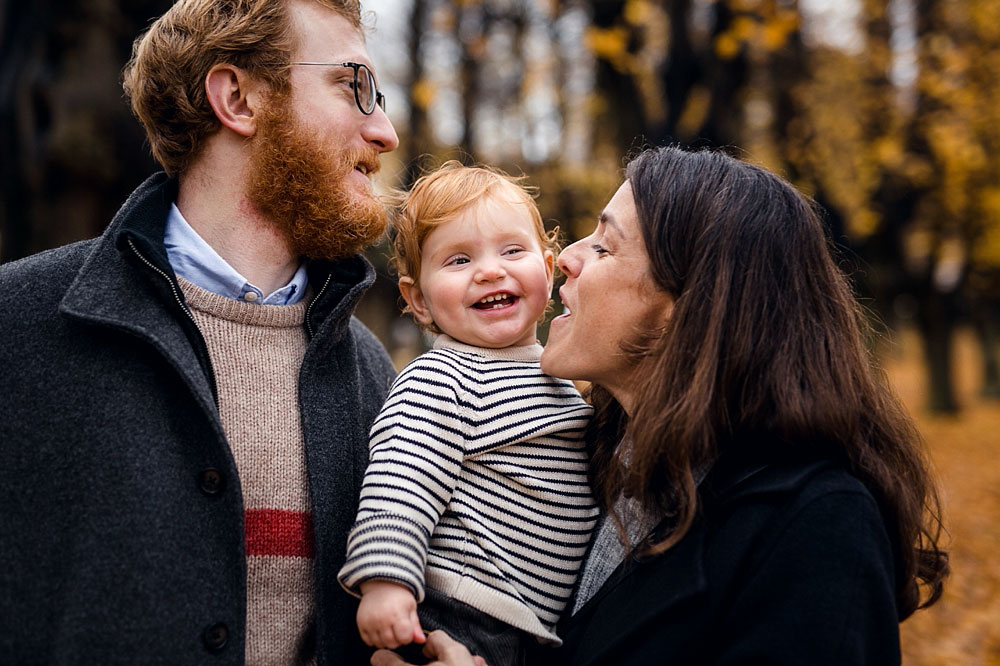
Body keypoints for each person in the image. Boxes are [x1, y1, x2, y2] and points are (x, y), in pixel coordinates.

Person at [371, 145, 949, 666]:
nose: (564, 257)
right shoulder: (605, 463)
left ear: (687, 303)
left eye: (604, 245)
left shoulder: (813, 525)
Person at [0, 0, 399, 663]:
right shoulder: (16, 330)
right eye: (353, 86)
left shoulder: (372, 378)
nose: (383, 130)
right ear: (237, 98)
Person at [336, 163, 598, 666]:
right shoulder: (445, 378)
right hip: (458, 612)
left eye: (512, 250)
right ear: (419, 299)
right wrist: (387, 582)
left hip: (533, 629)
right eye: (458, 259)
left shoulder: (561, 377)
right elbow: (400, 481)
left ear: (547, 271)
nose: (490, 270)